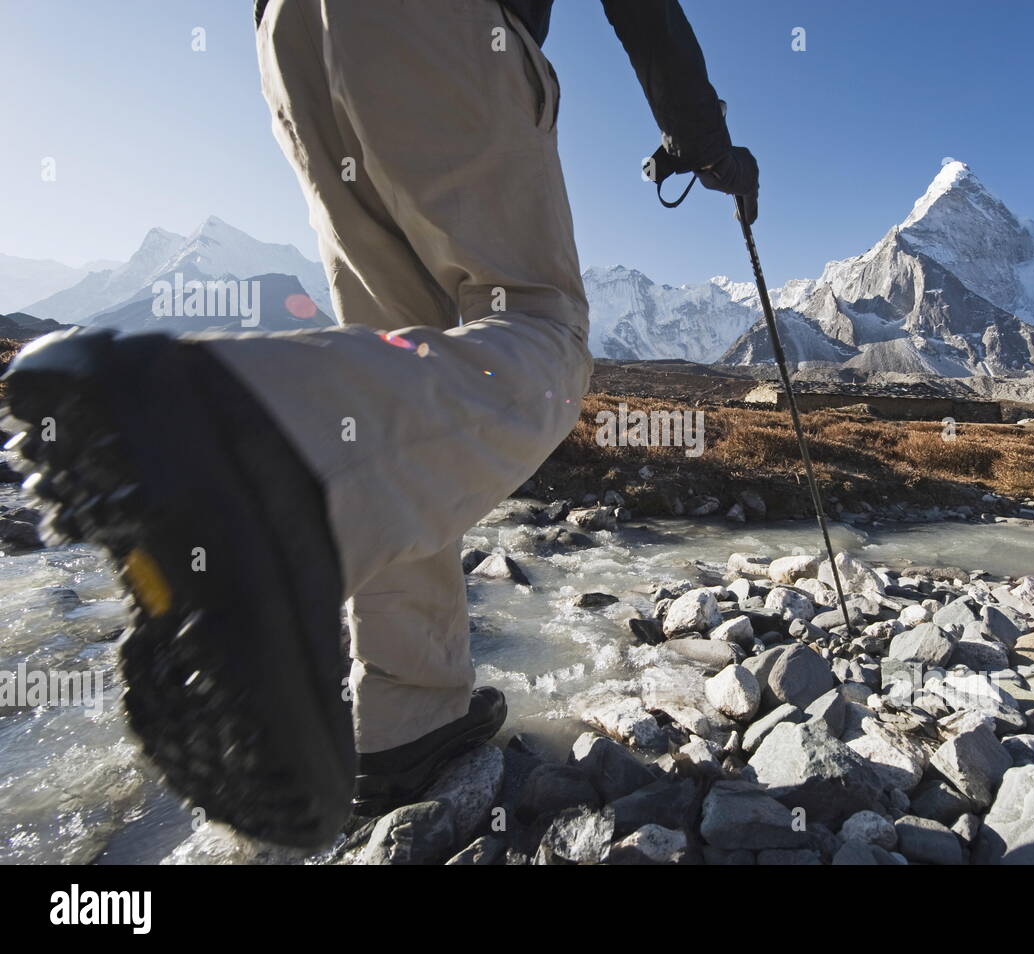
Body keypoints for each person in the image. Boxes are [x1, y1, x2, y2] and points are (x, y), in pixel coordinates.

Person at [2, 0, 758, 848]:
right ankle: (271, 453)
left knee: (398, 372)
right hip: (440, 27)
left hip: (292, 41)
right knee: (543, 330)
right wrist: (701, 136)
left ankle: (406, 718)